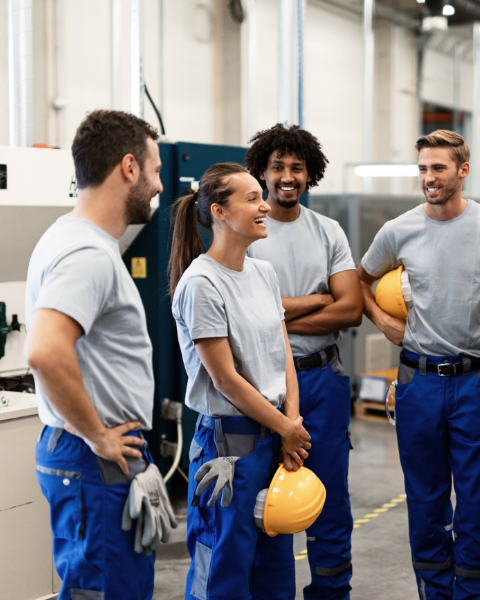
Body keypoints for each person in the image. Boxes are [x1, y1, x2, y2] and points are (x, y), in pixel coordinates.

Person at [357, 130, 480, 600]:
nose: (429, 178)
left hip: (475, 382)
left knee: (479, 506)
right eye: (422, 168)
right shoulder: (399, 230)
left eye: (438, 168)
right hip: (417, 382)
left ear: (462, 170)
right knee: (425, 503)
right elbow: (360, 278)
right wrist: (381, 320)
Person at [24, 110, 175, 600]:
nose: (158, 185)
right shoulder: (87, 252)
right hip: (93, 459)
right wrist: (99, 436)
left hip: (88, 456)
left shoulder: (70, 238)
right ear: (128, 167)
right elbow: (45, 350)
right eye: (154, 171)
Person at [169, 163, 311, 600]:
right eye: (252, 198)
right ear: (220, 212)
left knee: (274, 569)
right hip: (229, 446)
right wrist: (286, 427)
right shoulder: (201, 283)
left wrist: (291, 421)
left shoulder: (263, 273)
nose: (265, 205)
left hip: (274, 439)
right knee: (225, 570)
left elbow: (283, 352)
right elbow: (226, 379)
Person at [245, 123, 362, 600]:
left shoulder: (327, 231)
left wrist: (274, 314)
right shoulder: (245, 228)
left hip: (321, 383)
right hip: (260, 388)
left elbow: (351, 308)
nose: (287, 176)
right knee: (260, 502)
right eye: (278, 167)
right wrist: (316, 301)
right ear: (262, 173)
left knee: (329, 499)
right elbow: (240, 315)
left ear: (310, 174)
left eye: (297, 167)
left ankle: (332, 593)